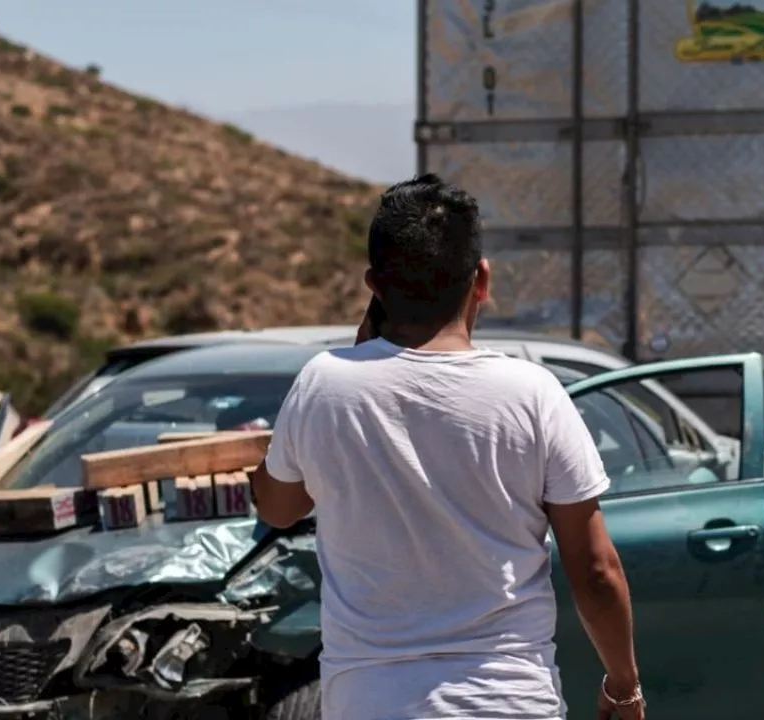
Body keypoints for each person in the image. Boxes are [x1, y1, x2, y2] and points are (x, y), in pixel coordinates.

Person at [250, 174, 645, 720]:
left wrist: (364, 349)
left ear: (374, 286)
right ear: (481, 279)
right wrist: (623, 686)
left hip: (370, 702)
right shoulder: (532, 392)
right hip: (508, 700)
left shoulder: (324, 384)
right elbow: (596, 571)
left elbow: (277, 506)